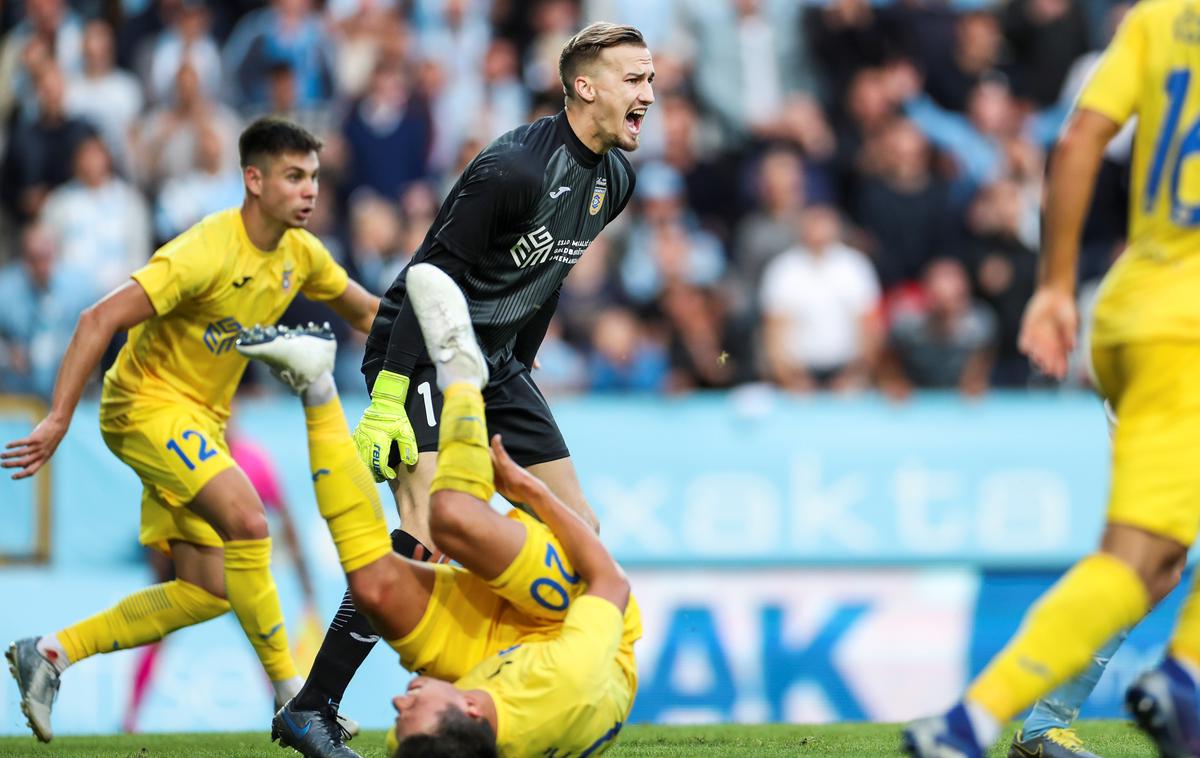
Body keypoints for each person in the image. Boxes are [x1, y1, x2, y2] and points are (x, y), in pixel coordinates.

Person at [280, 22, 654, 754]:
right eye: (634, 79)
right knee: (425, 531)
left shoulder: (616, 180)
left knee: (581, 533)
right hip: (420, 346)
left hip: (499, 361)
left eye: (650, 79)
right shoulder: (513, 169)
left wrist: (527, 354)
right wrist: (389, 396)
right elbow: (430, 277)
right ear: (585, 86)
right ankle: (312, 705)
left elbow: (552, 273)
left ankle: (506, 680)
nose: (649, 94)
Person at [1, 117, 379, 743]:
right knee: (249, 521)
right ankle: (299, 700)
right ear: (253, 180)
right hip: (142, 405)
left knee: (206, 589)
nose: (309, 190)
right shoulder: (203, 250)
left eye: (312, 176)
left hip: (198, 419)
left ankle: (48, 653)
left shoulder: (299, 253)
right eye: (293, 177)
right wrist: (58, 416)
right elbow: (98, 319)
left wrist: (451, 338)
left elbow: (367, 310)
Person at [904, 2, 1200, 756]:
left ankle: (985, 721)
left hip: (1133, 305)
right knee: (1153, 557)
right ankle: (1184, 674)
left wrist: (1056, 284)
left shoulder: (1159, 20)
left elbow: (1077, 137)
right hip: (1192, 328)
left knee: (1150, 561)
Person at [243, 263, 639, 758]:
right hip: (565, 625)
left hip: (492, 657)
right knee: (450, 519)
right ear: (470, 710)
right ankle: (463, 381)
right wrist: (534, 494)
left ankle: (316, 387)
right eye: (410, 711)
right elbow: (612, 584)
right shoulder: (569, 681)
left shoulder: (435, 743)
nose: (396, 702)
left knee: (379, 579)